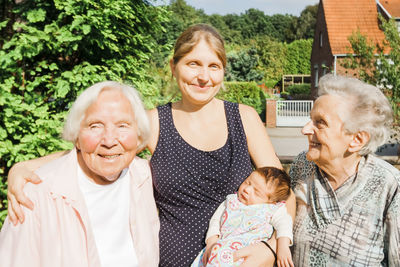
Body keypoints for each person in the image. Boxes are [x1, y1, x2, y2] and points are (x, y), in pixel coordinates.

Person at [6, 24, 295, 266]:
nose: (203, 76)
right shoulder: (154, 123)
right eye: (193, 63)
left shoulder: (243, 118)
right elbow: (100, 149)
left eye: (213, 66)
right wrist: (26, 167)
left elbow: (284, 194)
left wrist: (271, 248)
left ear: (223, 72)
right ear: (173, 66)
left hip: (241, 261)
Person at [0, 81, 160, 267]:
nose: (109, 140)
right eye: (95, 126)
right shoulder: (35, 197)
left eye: (122, 126)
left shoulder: (145, 176)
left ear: (139, 135)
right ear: (76, 136)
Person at [289, 74, 400, 266]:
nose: (305, 129)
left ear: (357, 140)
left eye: (320, 122)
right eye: (310, 120)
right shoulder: (302, 166)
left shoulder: (389, 186)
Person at [191, 167, 294, 267]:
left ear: (271, 201)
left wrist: (283, 246)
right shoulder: (231, 201)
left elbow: (285, 224)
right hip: (221, 252)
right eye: (247, 182)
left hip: (249, 255)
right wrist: (211, 242)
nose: (247, 190)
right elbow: (215, 221)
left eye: (257, 192)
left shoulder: (272, 209)